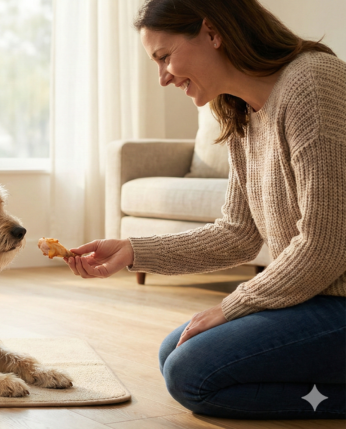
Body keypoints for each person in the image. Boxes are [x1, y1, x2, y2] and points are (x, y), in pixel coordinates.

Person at [64, 0, 345, 420]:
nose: (162, 78)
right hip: (315, 297)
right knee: (173, 353)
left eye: (164, 57)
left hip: (336, 298)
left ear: (212, 33)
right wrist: (133, 251)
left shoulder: (313, 83)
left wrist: (231, 306)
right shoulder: (239, 110)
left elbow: (325, 246)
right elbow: (237, 233)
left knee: (191, 373)